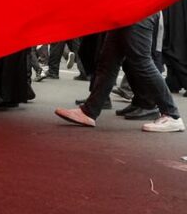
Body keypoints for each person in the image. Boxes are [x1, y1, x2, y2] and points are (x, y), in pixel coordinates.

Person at [55, 13, 184, 132]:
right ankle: (89, 111)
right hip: (125, 12)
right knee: (108, 63)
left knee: (141, 62)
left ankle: (172, 114)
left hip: (136, 10)